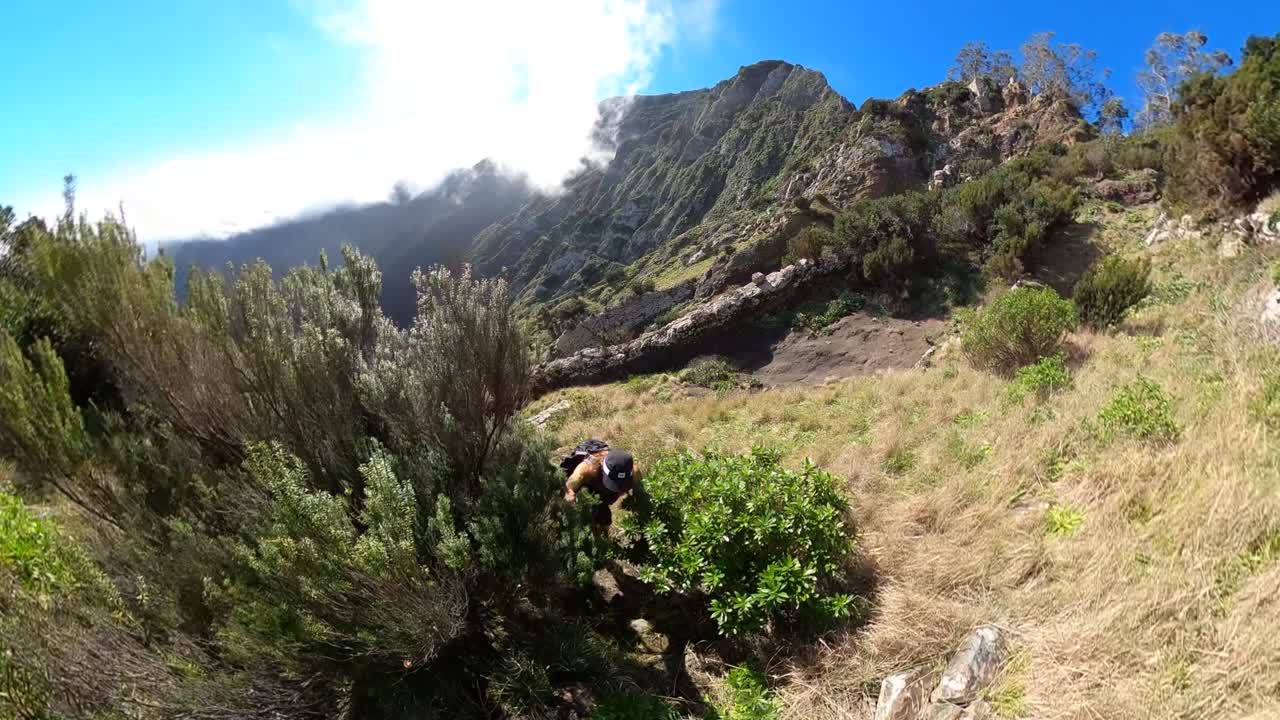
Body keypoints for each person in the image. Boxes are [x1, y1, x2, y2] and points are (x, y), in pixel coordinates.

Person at [560, 439, 637, 530]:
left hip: (600, 482)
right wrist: (569, 493)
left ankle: (603, 529)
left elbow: (639, 490)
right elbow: (570, 485)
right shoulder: (587, 469)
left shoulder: (635, 473)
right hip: (589, 475)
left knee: (602, 510)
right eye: (613, 482)